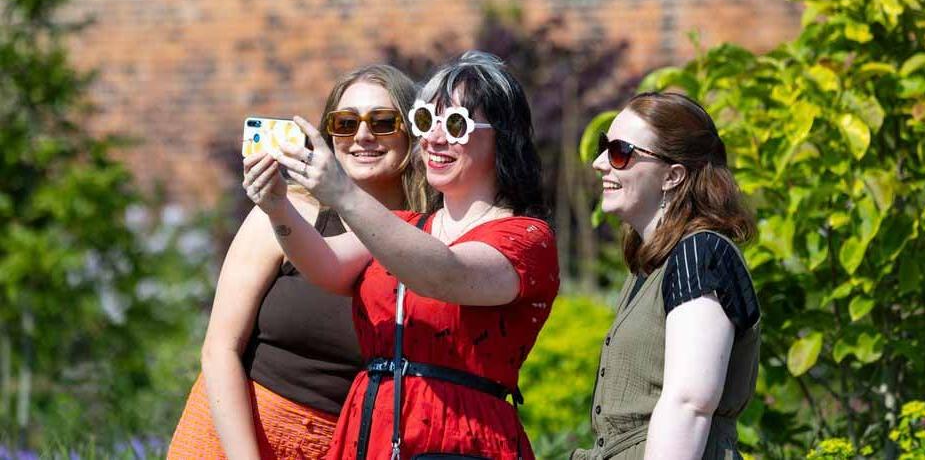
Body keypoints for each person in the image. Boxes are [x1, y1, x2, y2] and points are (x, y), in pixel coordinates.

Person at [242, 51, 559, 459]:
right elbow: (326, 267)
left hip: (461, 439)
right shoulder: (407, 225)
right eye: (426, 121)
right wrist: (277, 206)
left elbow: (444, 274)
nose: (435, 138)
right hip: (373, 432)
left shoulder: (527, 238)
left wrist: (342, 192)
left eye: (456, 125)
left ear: (503, 137)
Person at [168, 64, 428, 459]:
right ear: (328, 136)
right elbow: (219, 349)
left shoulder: (427, 237)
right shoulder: (289, 213)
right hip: (233, 437)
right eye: (345, 122)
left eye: (382, 121)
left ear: (411, 131)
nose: (362, 135)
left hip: (341, 446)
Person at [573, 91, 759, 460]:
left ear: (673, 175)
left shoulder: (700, 254)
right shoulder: (654, 264)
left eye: (620, 152)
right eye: (602, 147)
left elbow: (689, 404)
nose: (599, 163)